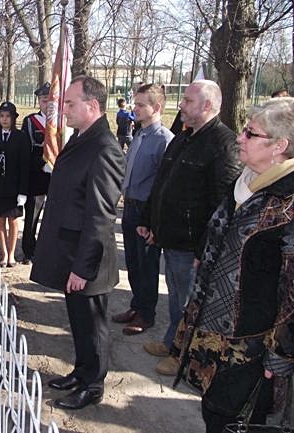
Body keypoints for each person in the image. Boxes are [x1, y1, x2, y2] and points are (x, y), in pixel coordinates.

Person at [172, 97, 294, 433]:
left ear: (279, 146)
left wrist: (281, 356)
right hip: (211, 331)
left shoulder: (287, 201)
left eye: (251, 133)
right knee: (213, 412)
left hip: (251, 347)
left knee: (234, 420)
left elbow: (292, 291)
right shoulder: (244, 182)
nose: (240, 137)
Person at [30, 76, 125, 410]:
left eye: (70, 103)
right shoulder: (82, 138)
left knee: (94, 327)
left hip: (89, 261)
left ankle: (93, 385)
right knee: (79, 322)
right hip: (71, 252)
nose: (63, 109)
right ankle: (82, 371)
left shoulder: (104, 148)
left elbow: (100, 216)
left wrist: (83, 269)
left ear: (92, 106)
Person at [138, 80, 241, 375]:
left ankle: (184, 354)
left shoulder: (223, 144)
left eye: (187, 101)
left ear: (207, 105)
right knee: (175, 295)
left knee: (190, 302)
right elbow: (161, 185)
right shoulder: (183, 138)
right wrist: (149, 220)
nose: (180, 105)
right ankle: (173, 340)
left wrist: (204, 248)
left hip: (192, 244)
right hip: (171, 237)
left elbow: (222, 205)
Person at [112, 84, 174, 335]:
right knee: (133, 262)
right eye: (134, 104)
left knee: (147, 265)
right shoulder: (139, 133)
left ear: (156, 107)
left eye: (140, 105)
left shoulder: (165, 140)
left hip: (146, 212)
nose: (134, 109)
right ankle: (136, 306)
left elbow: (164, 185)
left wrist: (153, 221)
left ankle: (146, 315)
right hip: (130, 207)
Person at [0, 102, 30, 267]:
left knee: (13, 221)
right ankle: (3, 254)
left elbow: (25, 166)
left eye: (8, 116)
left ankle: (11, 254)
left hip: (15, 188)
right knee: (0, 221)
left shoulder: (21, 137)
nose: (4, 119)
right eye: (2, 116)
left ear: (13, 118)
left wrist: (23, 191)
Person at [21, 82, 52, 265]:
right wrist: (41, 163)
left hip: (57, 175)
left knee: (54, 216)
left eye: (50, 100)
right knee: (32, 215)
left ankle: (48, 251)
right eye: (43, 100)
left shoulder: (62, 121)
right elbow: (26, 151)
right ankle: (28, 250)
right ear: (38, 102)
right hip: (37, 174)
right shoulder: (30, 121)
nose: (46, 104)